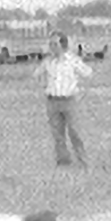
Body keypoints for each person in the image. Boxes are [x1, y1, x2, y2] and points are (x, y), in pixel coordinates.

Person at [33, 33, 92, 167]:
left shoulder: (72, 60)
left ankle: (83, 161)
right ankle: (63, 161)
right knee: (57, 134)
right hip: (53, 101)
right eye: (50, 44)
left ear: (63, 45)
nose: (52, 47)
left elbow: (88, 73)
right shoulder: (48, 62)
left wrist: (82, 92)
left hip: (69, 101)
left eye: (55, 44)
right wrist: (44, 86)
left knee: (75, 132)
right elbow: (36, 74)